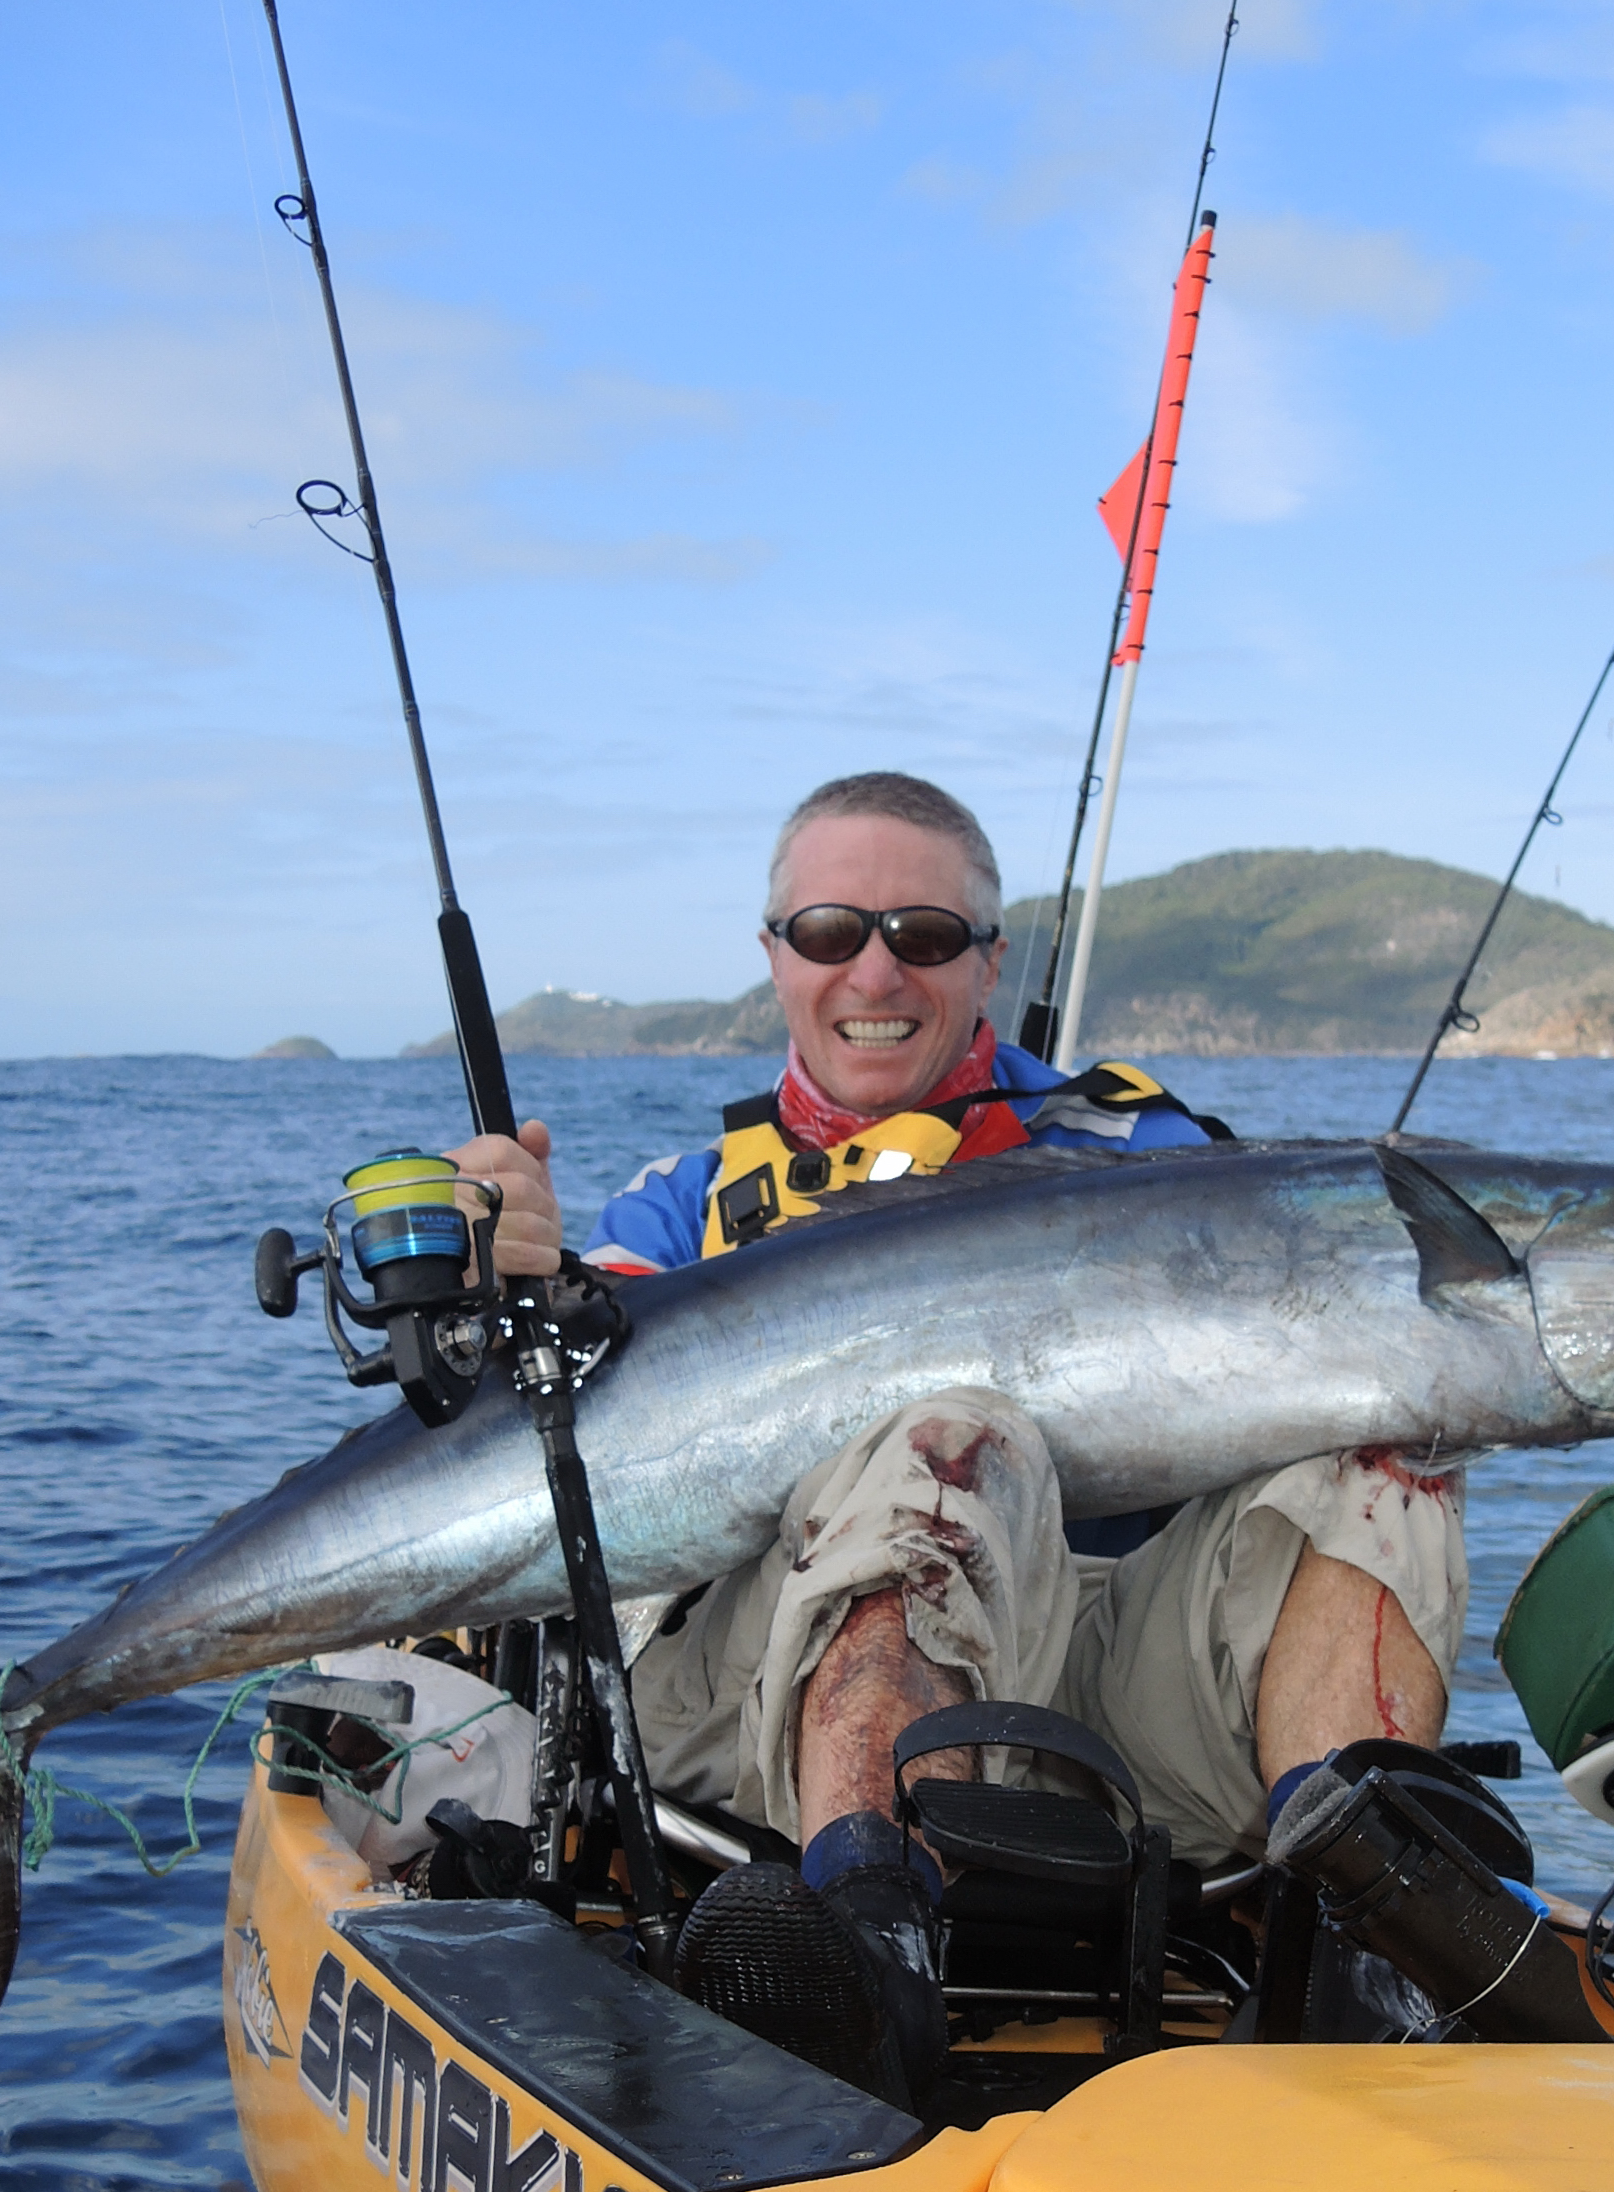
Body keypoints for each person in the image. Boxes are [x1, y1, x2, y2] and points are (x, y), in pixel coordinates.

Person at [450, 771, 1466, 2096]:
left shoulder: (1148, 1153)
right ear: (775, 960)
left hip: (1102, 1698)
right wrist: (511, 1291)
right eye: (830, 931)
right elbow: (554, 1449)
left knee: (1386, 1441)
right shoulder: (675, 1210)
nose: (876, 966)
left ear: (988, 963)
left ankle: (1355, 1945)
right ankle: (863, 1953)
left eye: (924, 935)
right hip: (764, 1697)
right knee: (941, 1434)